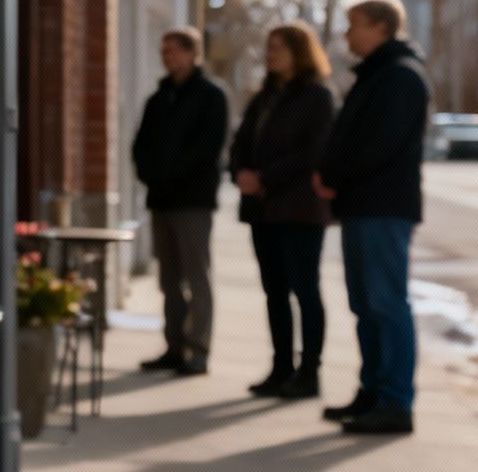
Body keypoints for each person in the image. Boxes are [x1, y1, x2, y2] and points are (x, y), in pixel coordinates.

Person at [316, 0, 429, 435]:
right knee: (366, 305)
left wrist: (333, 176)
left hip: (383, 207)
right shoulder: (376, 75)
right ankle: (373, 391)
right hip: (364, 205)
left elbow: (378, 145)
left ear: (382, 27)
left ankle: (396, 401)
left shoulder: (399, 77)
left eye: (354, 26)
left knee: (386, 303)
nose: (347, 35)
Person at [228, 22, 335, 400]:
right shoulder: (265, 97)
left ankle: (309, 373)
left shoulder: (317, 97)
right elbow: (240, 142)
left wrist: (265, 178)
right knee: (274, 291)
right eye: (269, 47)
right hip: (263, 210)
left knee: (304, 290)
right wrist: (240, 173)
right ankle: (281, 367)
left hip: (300, 209)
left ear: (299, 52)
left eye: (279, 48)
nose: (270, 54)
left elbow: (312, 153)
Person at [132, 27, 229, 376]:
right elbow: (141, 145)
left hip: (193, 202)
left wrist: (171, 174)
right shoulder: (159, 98)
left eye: (173, 51)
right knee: (168, 280)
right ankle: (174, 346)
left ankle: (198, 349)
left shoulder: (210, 96)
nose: (166, 57)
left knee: (196, 276)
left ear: (192, 53)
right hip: (162, 200)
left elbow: (208, 150)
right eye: (164, 51)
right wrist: (151, 175)